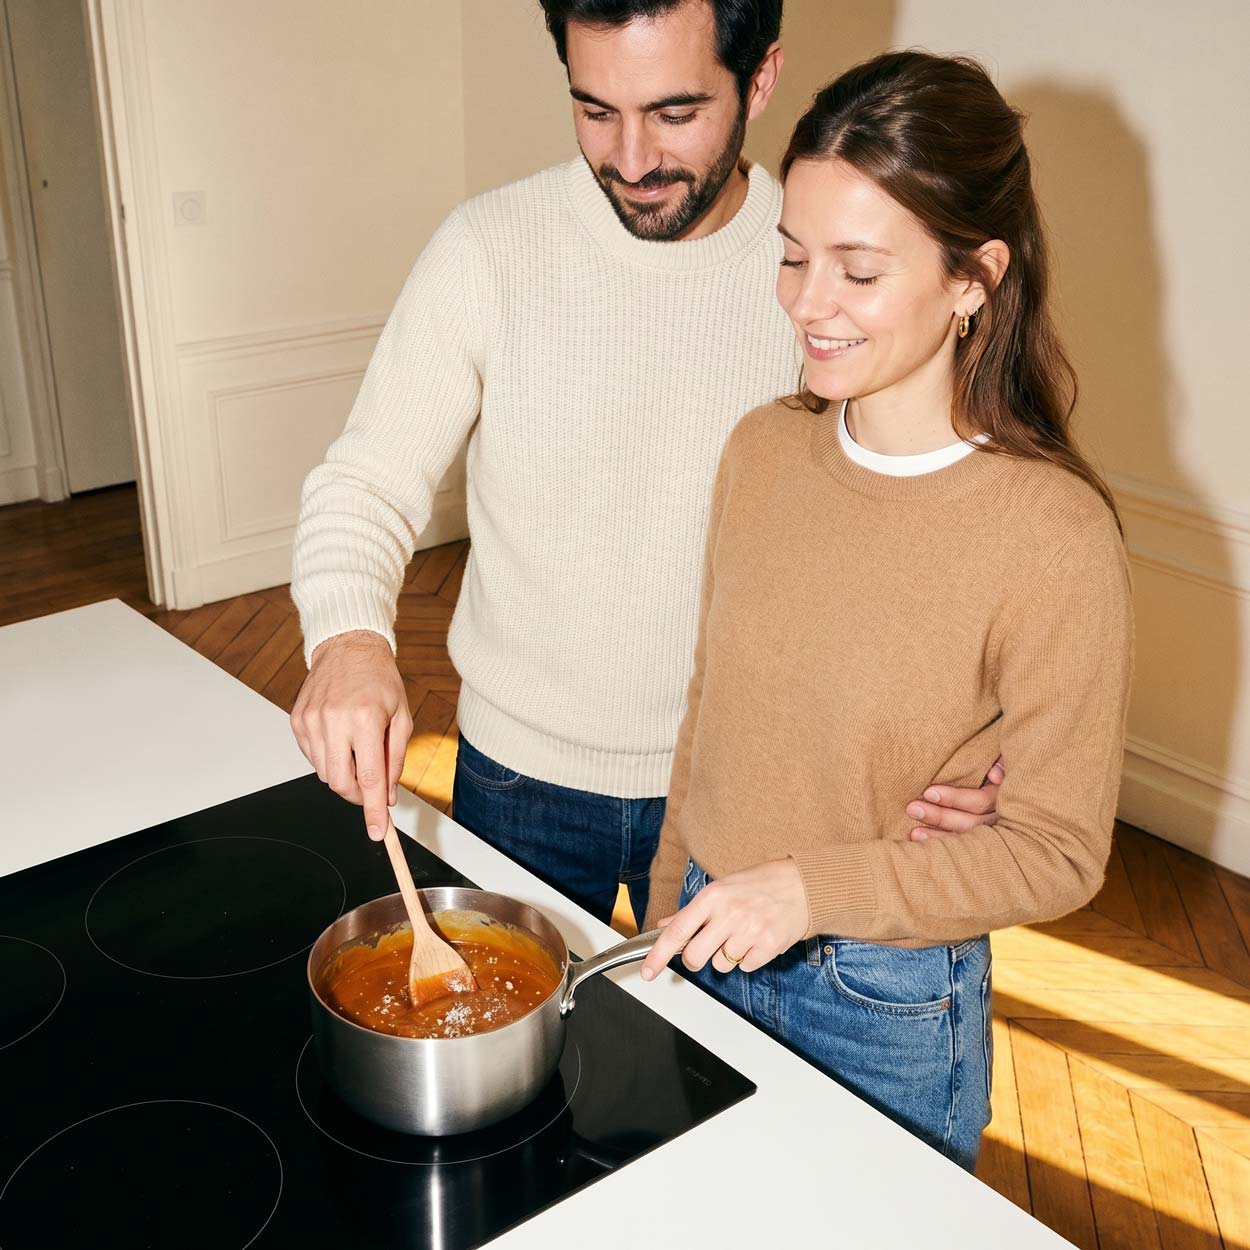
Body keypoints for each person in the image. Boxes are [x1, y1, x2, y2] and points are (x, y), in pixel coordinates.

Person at [288, 1, 1003, 930]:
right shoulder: (488, 249)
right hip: (516, 784)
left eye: (674, 113)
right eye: (595, 110)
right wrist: (348, 643)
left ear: (762, 77)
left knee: (706, 1076)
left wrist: (987, 745)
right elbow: (366, 482)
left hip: (750, 788)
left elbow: (933, 537)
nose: (629, 161)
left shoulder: (826, 285)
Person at [638, 50, 1134, 1172]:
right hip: (705, 935)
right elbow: (710, 712)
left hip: (879, 999)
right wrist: (669, 895)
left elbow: (1057, 851)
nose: (805, 304)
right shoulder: (760, 451)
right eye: (791, 256)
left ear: (973, 277)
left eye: (855, 271)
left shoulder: (1051, 535)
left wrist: (817, 886)